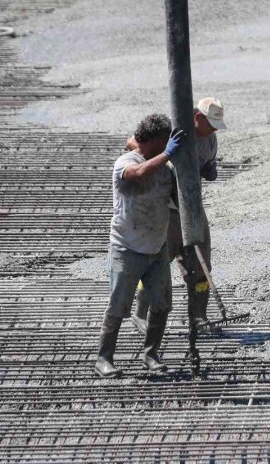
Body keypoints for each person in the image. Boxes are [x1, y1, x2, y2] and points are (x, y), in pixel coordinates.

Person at [95, 114, 184, 378]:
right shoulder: (126, 162)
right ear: (157, 142)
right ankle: (103, 358)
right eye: (166, 141)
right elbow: (138, 174)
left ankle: (150, 354)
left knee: (162, 304)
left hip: (157, 248)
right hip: (127, 248)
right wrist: (168, 155)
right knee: (118, 306)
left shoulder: (166, 170)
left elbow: (179, 203)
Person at [129, 97, 226, 333]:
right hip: (166, 207)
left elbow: (207, 166)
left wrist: (210, 170)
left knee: (201, 265)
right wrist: (164, 158)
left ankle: (198, 317)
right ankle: (140, 312)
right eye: (210, 123)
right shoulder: (172, 132)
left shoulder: (210, 140)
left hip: (192, 206)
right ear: (198, 118)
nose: (214, 129)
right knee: (158, 262)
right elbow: (131, 142)